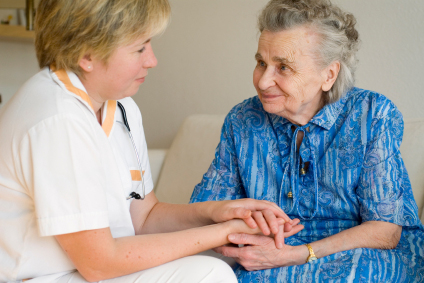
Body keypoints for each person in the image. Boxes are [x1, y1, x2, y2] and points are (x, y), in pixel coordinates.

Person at [0, 0, 304, 282]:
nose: (153, 60)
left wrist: (217, 213)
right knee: (210, 274)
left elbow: (144, 217)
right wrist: (224, 232)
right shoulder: (57, 121)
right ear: (87, 55)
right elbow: (99, 263)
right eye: (139, 49)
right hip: (41, 276)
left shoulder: (119, 106)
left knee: (219, 264)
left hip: (87, 268)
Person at [190, 0, 424, 282]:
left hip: (357, 252)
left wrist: (297, 253)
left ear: (329, 75)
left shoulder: (372, 115)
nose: (263, 81)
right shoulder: (242, 120)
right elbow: (203, 213)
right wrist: (245, 238)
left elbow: (385, 231)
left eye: (283, 67)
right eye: (261, 63)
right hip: (268, 254)